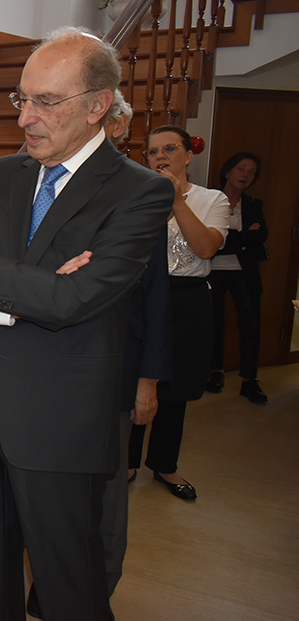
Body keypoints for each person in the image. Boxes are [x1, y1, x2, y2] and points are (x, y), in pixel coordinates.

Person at [0, 28, 173, 621]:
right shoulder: (0, 174)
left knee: (69, 588)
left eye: (45, 102)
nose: (25, 119)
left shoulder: (140, 192)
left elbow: (75, 300)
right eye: (22, 99)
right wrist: (13, 296)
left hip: (60, 418)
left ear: (97, 106)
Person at [26, 91, 172, 619]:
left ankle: (95, 590)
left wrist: (148, 380)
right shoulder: (37, 187)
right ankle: (50, 589)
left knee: (105, 499)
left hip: (115, 371)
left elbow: (156, 300)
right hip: (53, 365)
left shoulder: (139, 195)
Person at [129, 125, 229, 502]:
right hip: (142, 297)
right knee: (136, 379)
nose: (160, 157)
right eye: (152, 151)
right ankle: (127, 462)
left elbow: (206, 249)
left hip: (188, 300)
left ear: (188, 155)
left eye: (169, 149)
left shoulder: (213, 199)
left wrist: (176, 201)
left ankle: (164, 465)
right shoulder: (137, 196)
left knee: (177, 387)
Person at [206, 152, 268, 403]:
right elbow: (209, 238)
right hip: (212, 269)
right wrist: (241, 240)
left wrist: (227, 239)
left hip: (244, 272)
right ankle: (215, 372)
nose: (245, 175)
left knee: (251, 322)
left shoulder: (253, 205)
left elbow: (260, 237)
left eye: (251, 172)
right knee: (213, 322)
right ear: (228, 171)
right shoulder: (210, 199)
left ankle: (249, 380)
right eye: (241, 169)